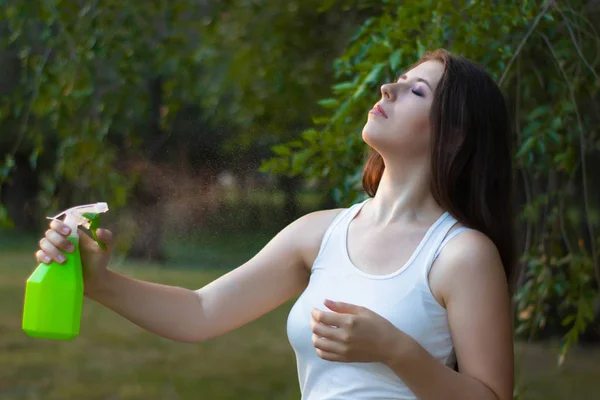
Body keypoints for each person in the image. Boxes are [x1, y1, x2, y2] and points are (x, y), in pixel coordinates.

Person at [35, 48, 515, 400]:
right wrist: (98, 283)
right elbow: (201, 312)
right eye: (398, 79)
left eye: (416, 90)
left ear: (455, 134)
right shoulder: (319, 233)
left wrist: (394, 349)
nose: (387, 88)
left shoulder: (461, 255)